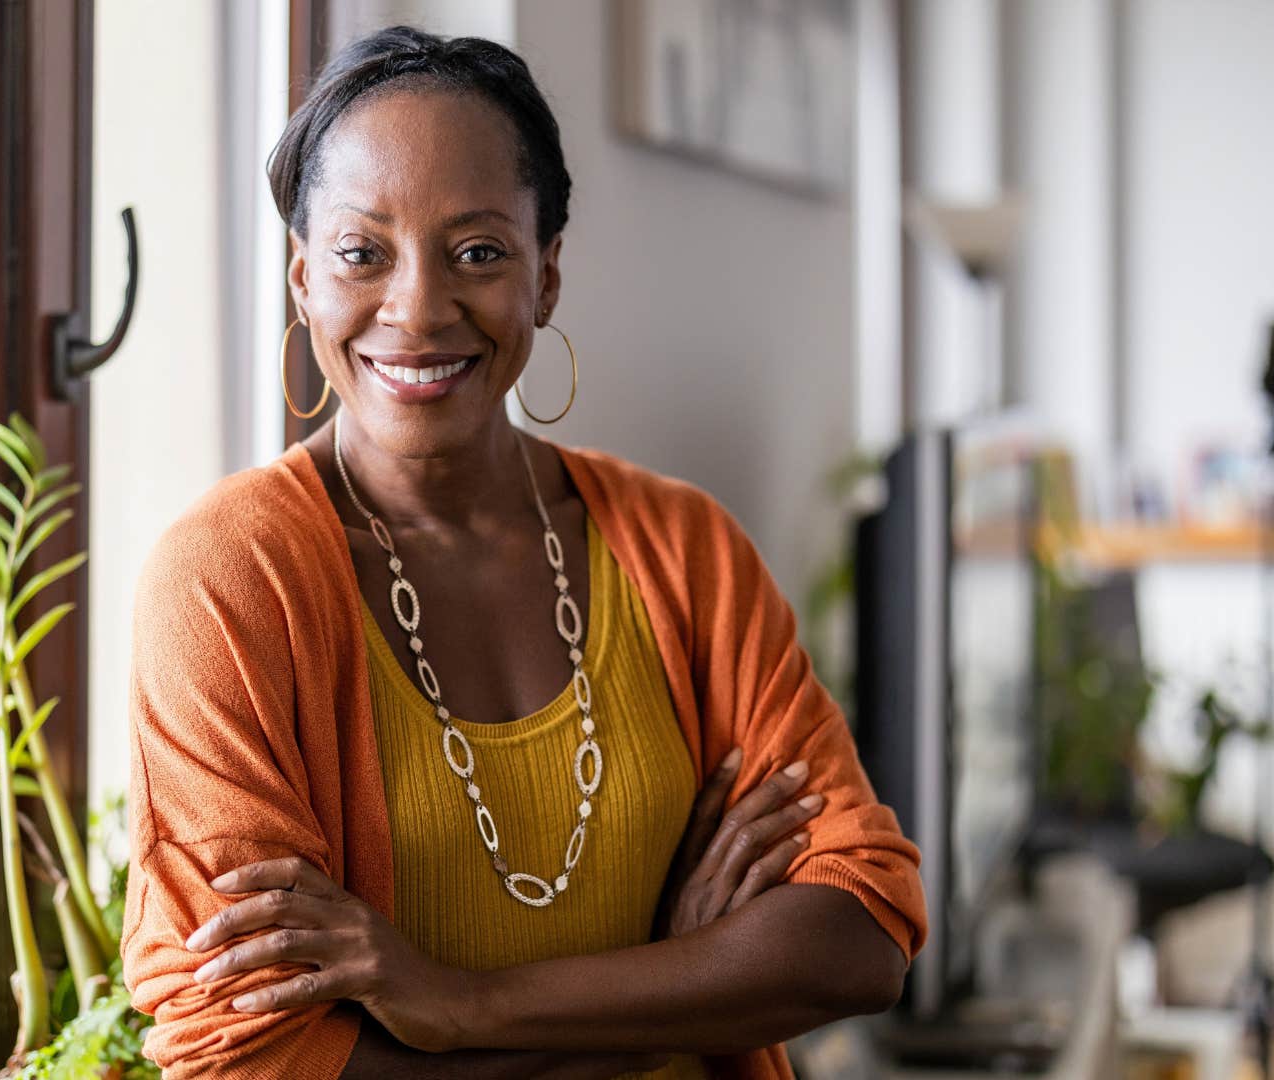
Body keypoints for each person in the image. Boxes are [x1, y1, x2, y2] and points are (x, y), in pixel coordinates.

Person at [120, 25, 926, 1080]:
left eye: (479, 252)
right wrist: (680, 983)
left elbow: (861, 932)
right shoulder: (225, 582)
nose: (417, 307)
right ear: (304, 281)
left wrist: (459, 1005)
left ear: (545, 278)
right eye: (364, 253)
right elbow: (245, 1054)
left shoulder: (682, 548)